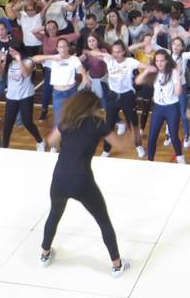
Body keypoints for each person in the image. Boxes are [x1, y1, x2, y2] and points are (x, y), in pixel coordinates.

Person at [39, 91, 129, 277]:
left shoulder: (66, 122)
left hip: (60, 178)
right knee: (103, 221)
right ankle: (117, 265)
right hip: (82, 180)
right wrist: (131, 132)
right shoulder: (98, 124)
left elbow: (50, 140)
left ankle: (45, 254)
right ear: (93, 107)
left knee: (54, 214)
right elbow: (120, 146)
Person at [136, 49, 185, 163]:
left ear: (167, 61)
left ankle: (180, 158)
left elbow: (178, 93)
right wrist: (146, 71)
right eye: (157, 61)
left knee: (173, 136)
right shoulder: (154, 72)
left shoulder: (173, 72)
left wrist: (178, 77)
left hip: (171, 107)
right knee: (152, 137)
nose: (159, 63)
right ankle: (150, 160)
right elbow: (138, 82)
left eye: (162, 61)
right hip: (158, 108)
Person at [0, 45, 45, 150]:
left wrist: (19, 59)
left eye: (14, 51)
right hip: (12, 97)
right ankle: (5, 146)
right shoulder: (9, 63)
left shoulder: (28, 61)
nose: (12, 54)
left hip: (26, 96)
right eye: (11, 51)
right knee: (8, 122)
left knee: (27, 122)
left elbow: (26, 74)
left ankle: (40, 141)